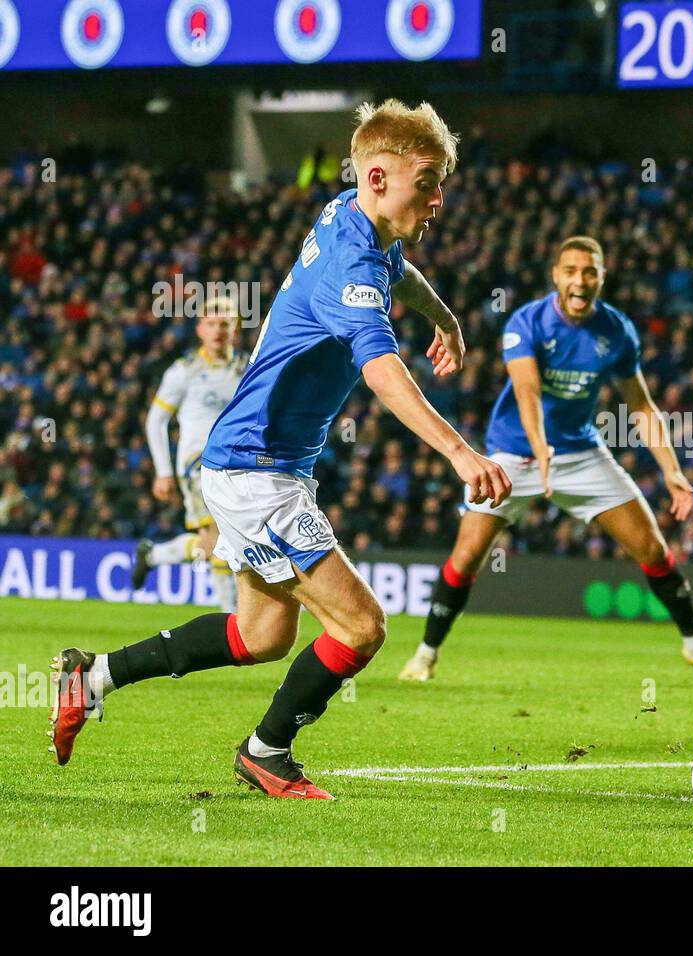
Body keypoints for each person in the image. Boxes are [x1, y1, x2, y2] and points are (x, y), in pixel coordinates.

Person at [49, 99, 510, 799]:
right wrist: (458, 452)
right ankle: (267, 752)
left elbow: (396, 267)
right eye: (429, 181)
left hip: (263, 464)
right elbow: (381, 370)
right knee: (361, 627)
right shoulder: (353, 261)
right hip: (255, 470)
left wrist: (439, 313)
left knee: (260, 635)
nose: (440, 198)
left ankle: (95, 676)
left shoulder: (352, 212)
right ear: (379, 177)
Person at [399, 236, 693, 688]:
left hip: (581, 454)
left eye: (590, 272)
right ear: (556, 276)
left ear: (601, 277)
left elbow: (640, 407)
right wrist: (540, 449)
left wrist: (673, 472)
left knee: (653, 548)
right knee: (465, 558)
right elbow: (528, 391)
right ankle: (426, 654)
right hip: (514, 455)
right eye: (571, 271)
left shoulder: (616, 330)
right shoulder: (528, 322)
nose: (580, 280)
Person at [134, 297, 248, 613]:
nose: (218, 330)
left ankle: (154, 556)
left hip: (237, 465)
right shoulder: (184, 371)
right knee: (220, 538)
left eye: (225, 323)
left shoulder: (247, 369)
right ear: (200, 329)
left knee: (216, 543)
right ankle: (233, 623)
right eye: (211, 323)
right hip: (196, 464)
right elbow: (156, 419)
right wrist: (163, 471)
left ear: (235, 328)